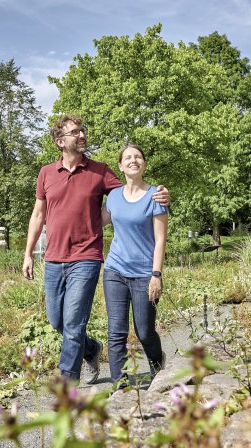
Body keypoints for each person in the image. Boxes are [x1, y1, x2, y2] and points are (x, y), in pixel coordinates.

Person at [23, 115, 168, 384]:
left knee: (74, 321)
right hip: (54, 258)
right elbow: (37, 215)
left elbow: (131, 189)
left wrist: (158, 194)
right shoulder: (46, 173)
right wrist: (28, 253)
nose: (81, 135)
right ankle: (92, 349)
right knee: (57, 322)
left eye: (82, 131)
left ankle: (68, 383)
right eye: (74, 132)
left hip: (87, 256)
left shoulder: (100, 171)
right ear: (60, 141)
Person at [101, 144, 168, 386]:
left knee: (145, 332)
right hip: (114, 271)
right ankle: (120, 384)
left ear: (144, 164)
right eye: (128, 157)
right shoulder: (114, 197)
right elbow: (96, 223)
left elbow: (161, 239)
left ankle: (159, 370)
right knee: (116, 332)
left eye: (138, 156)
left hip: (144, 274)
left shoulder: (156, 196)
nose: (133, 160)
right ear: (120, 166)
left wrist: (156, 274)